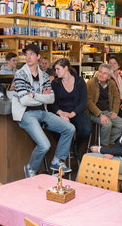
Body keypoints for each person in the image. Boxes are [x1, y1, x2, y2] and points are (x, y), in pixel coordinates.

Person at [12, 44, 75, 178]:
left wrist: (34, 95)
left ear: (38, 57)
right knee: (45, 145)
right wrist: (42, 97)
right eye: (26, 54)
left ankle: (57, 160)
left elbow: (51, 98)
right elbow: (24, 100)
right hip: (26, 114)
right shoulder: (20, 74)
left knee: (69, 128)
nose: (28, 57)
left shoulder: (45, 76)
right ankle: (31, 168)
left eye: (32, 54)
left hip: (43, 112)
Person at [50, 58, 91, 152]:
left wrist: (72, 113)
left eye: (58, 69)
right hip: (61, 113)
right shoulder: (55, 83)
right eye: (55, 69)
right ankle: (64, 151)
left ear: (66, 68)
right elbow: (52, 103)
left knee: (86, 129)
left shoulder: (80, 81)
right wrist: (60, 113)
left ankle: (76, 145)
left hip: (76, 111)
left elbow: (83, 101)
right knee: (57, 130)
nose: (56, 72)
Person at [86, 63, 122, 146]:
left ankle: (106, 142)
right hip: (93, 112)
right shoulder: (91, 83)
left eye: (105, 73)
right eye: (100, 71)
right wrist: (100, 114)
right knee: (107, 124)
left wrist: (115, 111)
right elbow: (89, 102)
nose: (101, 74)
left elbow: (116, 97)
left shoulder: (111, 83)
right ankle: (104, 146)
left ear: (109, 76)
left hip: (107, 112)